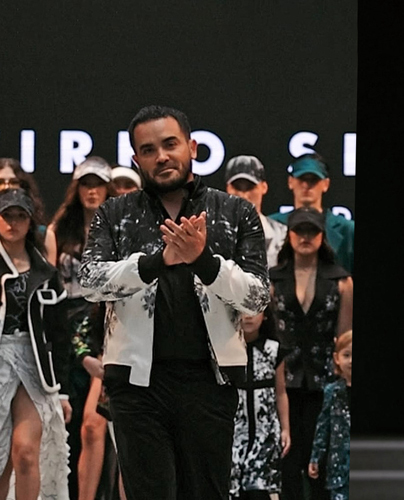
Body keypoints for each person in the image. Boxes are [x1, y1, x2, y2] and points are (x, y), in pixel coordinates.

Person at [78, 105, 270, 500]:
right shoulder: (114, 212)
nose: (161, 156)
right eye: (148, 150)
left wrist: (205, 263)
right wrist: (153, 263)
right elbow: (91, 283)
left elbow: (257, 297)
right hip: (135, 385)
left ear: (192, 148)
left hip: (210, 381)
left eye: (170, 144)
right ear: (136, 159)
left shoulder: (236, 211)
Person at [269, 207, 353, 500]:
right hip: (283, 381)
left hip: (325, 381)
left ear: (322, 236)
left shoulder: (341, 281)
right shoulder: (273, 280)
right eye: (299, 230)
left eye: (312, 231)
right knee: (287, 461)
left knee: (324, 462)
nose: (305, 237)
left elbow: (345, 339)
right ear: (289, 235)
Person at [45, 156, 112, 500]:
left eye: (98, 184)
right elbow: (49, 282)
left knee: (97, 422)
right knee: (66, 417)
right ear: (77, 188)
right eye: (86, 184)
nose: (92, 191)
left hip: (102, 321)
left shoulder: (117, 228)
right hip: (65, 318)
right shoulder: (60, 229)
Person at [0, 188, 71, 500]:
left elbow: (59, 333)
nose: (13, 222)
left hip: (34, 362)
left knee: (27, 452)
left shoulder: (45, 272)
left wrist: (62, 391)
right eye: (6, 215)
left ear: (31, 222)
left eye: (21, 216)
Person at [230, 305, 291, 500]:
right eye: (243, 311)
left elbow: (280, 392)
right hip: (235, 432)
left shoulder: (273, 350)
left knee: (260, 489)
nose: (248, 317)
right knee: (233, 487)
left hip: (265, 433)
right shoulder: (227, 349)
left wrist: (285, 429)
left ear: (265, 316)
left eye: (255, 311)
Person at [268, 154, 354, 274]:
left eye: (313, 180)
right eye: (301, 179)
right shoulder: (272, 226)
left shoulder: (347, 230)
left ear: (326, 184)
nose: (306, 185)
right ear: (290, 182)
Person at [308, 330, 351, 500]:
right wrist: (315, 457)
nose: (351, 360)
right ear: (336, 358)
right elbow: (323, 426)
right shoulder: (332, 391)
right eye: (346, 355)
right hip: (338, 466)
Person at [225, 155, 287, 269]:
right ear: (228, 188)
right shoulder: (214, 232)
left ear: (264, 187)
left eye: (250, 187)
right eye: (237, 187)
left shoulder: (281, 235)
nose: (243, 195)